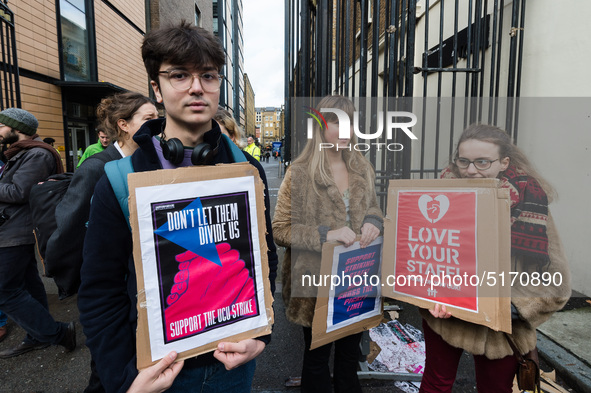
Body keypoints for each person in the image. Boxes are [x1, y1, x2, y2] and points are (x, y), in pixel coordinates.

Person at [78, 22, 278, 393]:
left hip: (232, 367)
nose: (197, 87)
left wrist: (261, 338)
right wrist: (125, 382)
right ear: (156, 86)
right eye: (179, 75)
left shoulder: (248, 171)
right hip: (156, 376)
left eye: (208, 75)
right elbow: (99, 292)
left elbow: (264, 262)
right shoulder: (119, 180)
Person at [419, 124, 571, 393]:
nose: (471, 170)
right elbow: (420, 256)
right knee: (435, 385)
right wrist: (427, 294)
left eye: (482, 162)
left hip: (501, 329)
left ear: (504, 162)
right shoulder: (439, 195)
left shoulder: (530, 201)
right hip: (445, 318)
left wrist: (507, 308)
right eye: (463, 161)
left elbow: (556, 286)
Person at [272, 95, 383, 393]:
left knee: (349, 359)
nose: (345, 130)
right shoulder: (300, 172)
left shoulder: (363, 168)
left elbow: (374, 208)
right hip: (316, 286)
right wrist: (326, 234)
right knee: (317, 360)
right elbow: (281, 230)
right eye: (336, 122)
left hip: (356, 279)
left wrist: (375, 221)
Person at [45, 91, 158, 299]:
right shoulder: (96, 168)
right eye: (149, 119)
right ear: (123, 125)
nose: (157, 124)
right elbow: (69, 227)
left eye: (157, 118)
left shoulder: (152, 161)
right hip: (109, 280)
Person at [0, 108, 76, 359]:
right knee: (29, 285)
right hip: (14, 228)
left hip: (16, 231)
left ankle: (56, 333)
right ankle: (38, 335)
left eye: (1, 126)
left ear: (16, 129)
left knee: (5, 291)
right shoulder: (22, 153)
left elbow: (19, 192)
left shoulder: (37, 154)